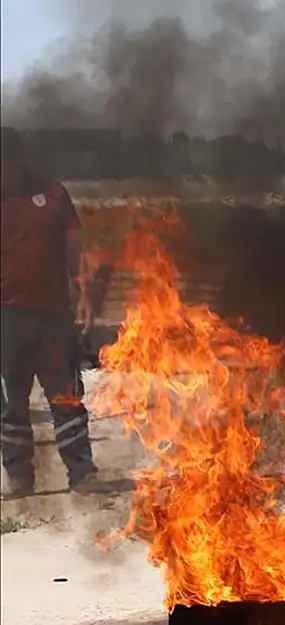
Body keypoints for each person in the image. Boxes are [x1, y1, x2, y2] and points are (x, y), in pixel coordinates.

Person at [0, 126, 114, 498]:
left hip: (53, 316)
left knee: (67, 396)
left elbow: (75, 250)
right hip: (6, 319)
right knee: (11, 404)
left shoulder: (53, 195)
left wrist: (84, 294)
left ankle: (82, 473)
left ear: (18, 159)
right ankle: (19, 477)